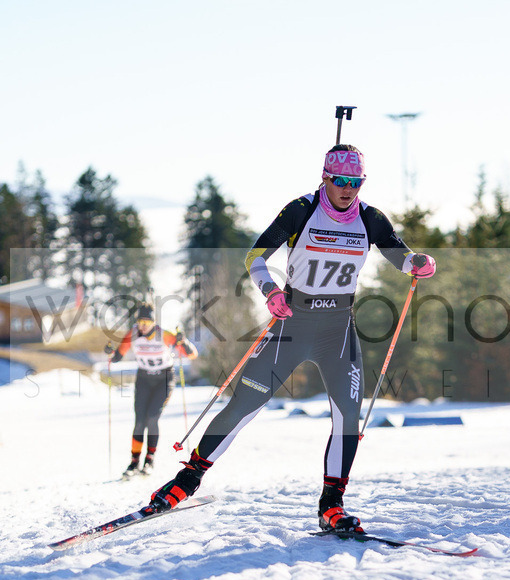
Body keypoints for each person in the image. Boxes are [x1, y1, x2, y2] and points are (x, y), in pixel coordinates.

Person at [145, 144, 436, 533]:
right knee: (245, 404)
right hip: (293, 323)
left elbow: (397, 253)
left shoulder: (370, 218)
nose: (348, 189)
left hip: (338, 329)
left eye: (356, 182)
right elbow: (256, 257)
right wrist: (270, 292)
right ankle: (185, 482)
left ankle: (331, 505)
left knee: (348, 416)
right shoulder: (300, 210)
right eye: (341, 181)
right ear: (325, 178)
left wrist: (416, 262)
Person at [107, 303, 198, 477]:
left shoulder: (164, 334)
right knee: (140, 420)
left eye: (147, 321)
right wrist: (110, 352)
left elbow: (192, 354)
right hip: (144, 379)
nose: (143, 325)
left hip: (163, 379)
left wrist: (183, 341)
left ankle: (149, 460)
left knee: (152, 417)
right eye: (141, 321)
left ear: (154, 322)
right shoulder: (132, 334)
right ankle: (134, 463)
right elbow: (117, 357)